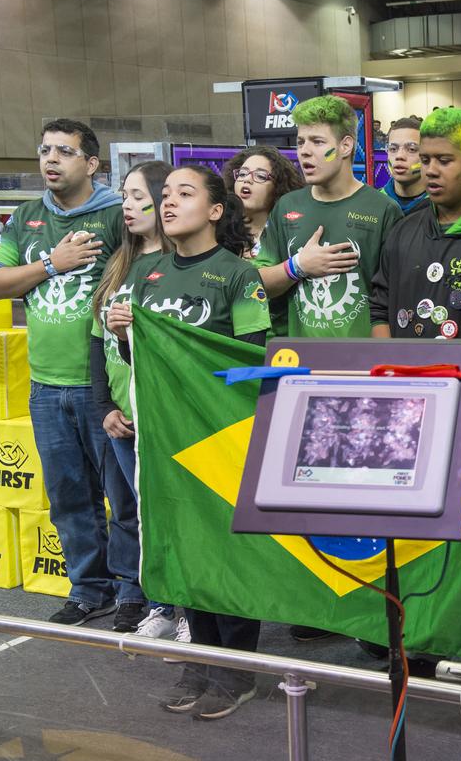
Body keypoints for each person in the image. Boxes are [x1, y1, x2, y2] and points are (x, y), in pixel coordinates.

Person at [106, 165, 271, 721]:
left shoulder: (238, 276)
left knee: (228, 555)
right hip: (164, 439)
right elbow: (141, 364)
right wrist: (127, 335)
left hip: (223, 437)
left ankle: (236, 671)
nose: (168, 202)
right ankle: (199, 663)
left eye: (184, 193)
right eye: (165, 194)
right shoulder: (147, 271)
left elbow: (256, 361)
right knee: (186, 550)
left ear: (217, 210)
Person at [0, 119, 139, 629]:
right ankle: (89, 590)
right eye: (45, 149)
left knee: (125, 499)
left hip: (103, 388)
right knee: (69, 498)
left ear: (91, 164)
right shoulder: (27, 217)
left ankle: (134, 592)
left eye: (65, 152)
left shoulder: (117, 216)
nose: (51, 159)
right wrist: (52, 263)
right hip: (46, 387)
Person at [88, 159, 189, 646]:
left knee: (179, 515)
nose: (127, 205)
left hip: (168, 416)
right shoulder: (117, 266)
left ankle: (193, 607)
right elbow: (95, 346)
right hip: (123, 418)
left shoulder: (182, 266)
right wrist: (103, 407)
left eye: (136, 195)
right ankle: (162, 605)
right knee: (141, 516)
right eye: (123, 196)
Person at [253, 95, 403, 345]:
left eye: (317, 141)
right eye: (300, 142)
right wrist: (297, 266)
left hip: (365, 362)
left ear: (345, 146)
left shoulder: (383, 209)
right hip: (300, 361)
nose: (305, 151)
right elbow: (256, 285)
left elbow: (394, 298)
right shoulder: (287, 206)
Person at [371, 107, 461, 340]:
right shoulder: (403, 230)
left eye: (444, 161)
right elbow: (380, 310)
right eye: (425, 160)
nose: (430, 171)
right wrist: (389, 362)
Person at [223, 146, 305, 337]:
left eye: (260, 176)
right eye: (242, 174)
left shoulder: (289, 234)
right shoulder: (219, 232)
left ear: (279, 187)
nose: (247, 179)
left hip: (279, 346)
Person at [380, 117, 430, 215]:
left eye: (411, 149)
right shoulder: (375, 203)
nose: (399, 156)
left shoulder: (443, 208)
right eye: (393, 149)